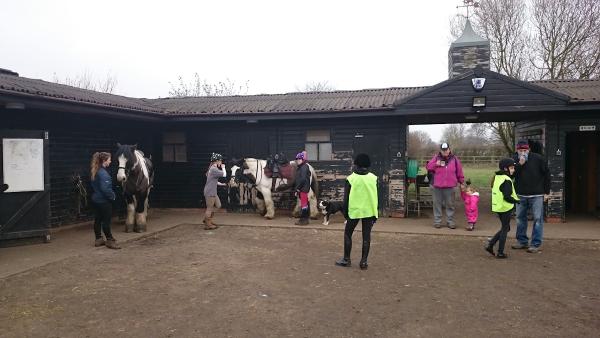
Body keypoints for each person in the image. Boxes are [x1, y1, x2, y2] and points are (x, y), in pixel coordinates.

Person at [335, 153, 378, 270]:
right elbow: (375, 197)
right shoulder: (373, 178)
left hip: (354, 211)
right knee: (366, 236)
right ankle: (363, 262)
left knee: (348, 233)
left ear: (356, 165)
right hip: (369, 211)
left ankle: (346, 259)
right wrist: (375, 213)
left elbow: (346, 199)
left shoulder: (351, 179)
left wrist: (345, 213)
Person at [511, 140, 550, 253]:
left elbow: (547, 174)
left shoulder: (538, 158)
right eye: (520, 150)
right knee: (520, 218)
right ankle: (522, 241)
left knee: (538, 219)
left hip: (537, 194)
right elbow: (511, 175)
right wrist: (520, 164)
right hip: (520, 194)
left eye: (525, 150)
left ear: (529, 149)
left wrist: (547, 192)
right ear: (517, 150)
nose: (523, 152)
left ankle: (535, 244)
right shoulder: (514, 160)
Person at [485, 158, 520, 259]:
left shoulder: (497, 177)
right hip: (505, 207)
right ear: (505, 168)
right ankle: (500, 252)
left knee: (506, 228)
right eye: (512, 168)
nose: (513, 170)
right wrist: (517, 201)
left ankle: (490, 245)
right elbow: (507, 197)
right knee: (505, 229)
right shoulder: (506, 180)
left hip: (498, 207)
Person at [426, 142, 465, 229]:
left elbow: (459, 172)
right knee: (437, 204)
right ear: (441, 150)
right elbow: (428, 167)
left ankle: (450, 221)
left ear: (449, 149)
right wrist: (436, 164)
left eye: (446, 150)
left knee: (450, 204)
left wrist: (461, 182)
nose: (445, 152)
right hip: (437, 186)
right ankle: (437, 222)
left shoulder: (454, 159)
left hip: (450, 186)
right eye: (443, 150)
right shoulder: (436, 158)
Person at [90, 152, 120, 249]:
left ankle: (98, 239)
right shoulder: (103, 174)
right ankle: (110, 240)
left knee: (97, 219)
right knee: (106, 221)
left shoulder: (96, 170)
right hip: (104, 201)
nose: (110, 161)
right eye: (109, 160)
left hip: (95, 200)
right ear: (104, 161)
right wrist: (113, 196)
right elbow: (105, 189)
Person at [204, 152, 226, 230]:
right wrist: (223, 167)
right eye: (220, 161)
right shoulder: (213, 169)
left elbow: (213, 180)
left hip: (212, 191)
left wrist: (221, 184)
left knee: (218, 205)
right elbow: (224, 174)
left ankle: (207, 219)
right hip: (210, 192)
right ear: (216, 161)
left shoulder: (212, 168)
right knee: (209, 208)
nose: (221, 162)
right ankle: (208, 224)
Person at [294, 151, 311, 225]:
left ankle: (303, 220)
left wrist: (298, 188)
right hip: (303, 188)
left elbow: (303, 179)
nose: (297, 161)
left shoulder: (304, 167)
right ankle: (305, 219)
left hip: (303, 188)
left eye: (299, 159)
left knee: (304, 204)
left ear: (302, 159)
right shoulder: (302, 167)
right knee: (305, 204)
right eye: (297, 159)